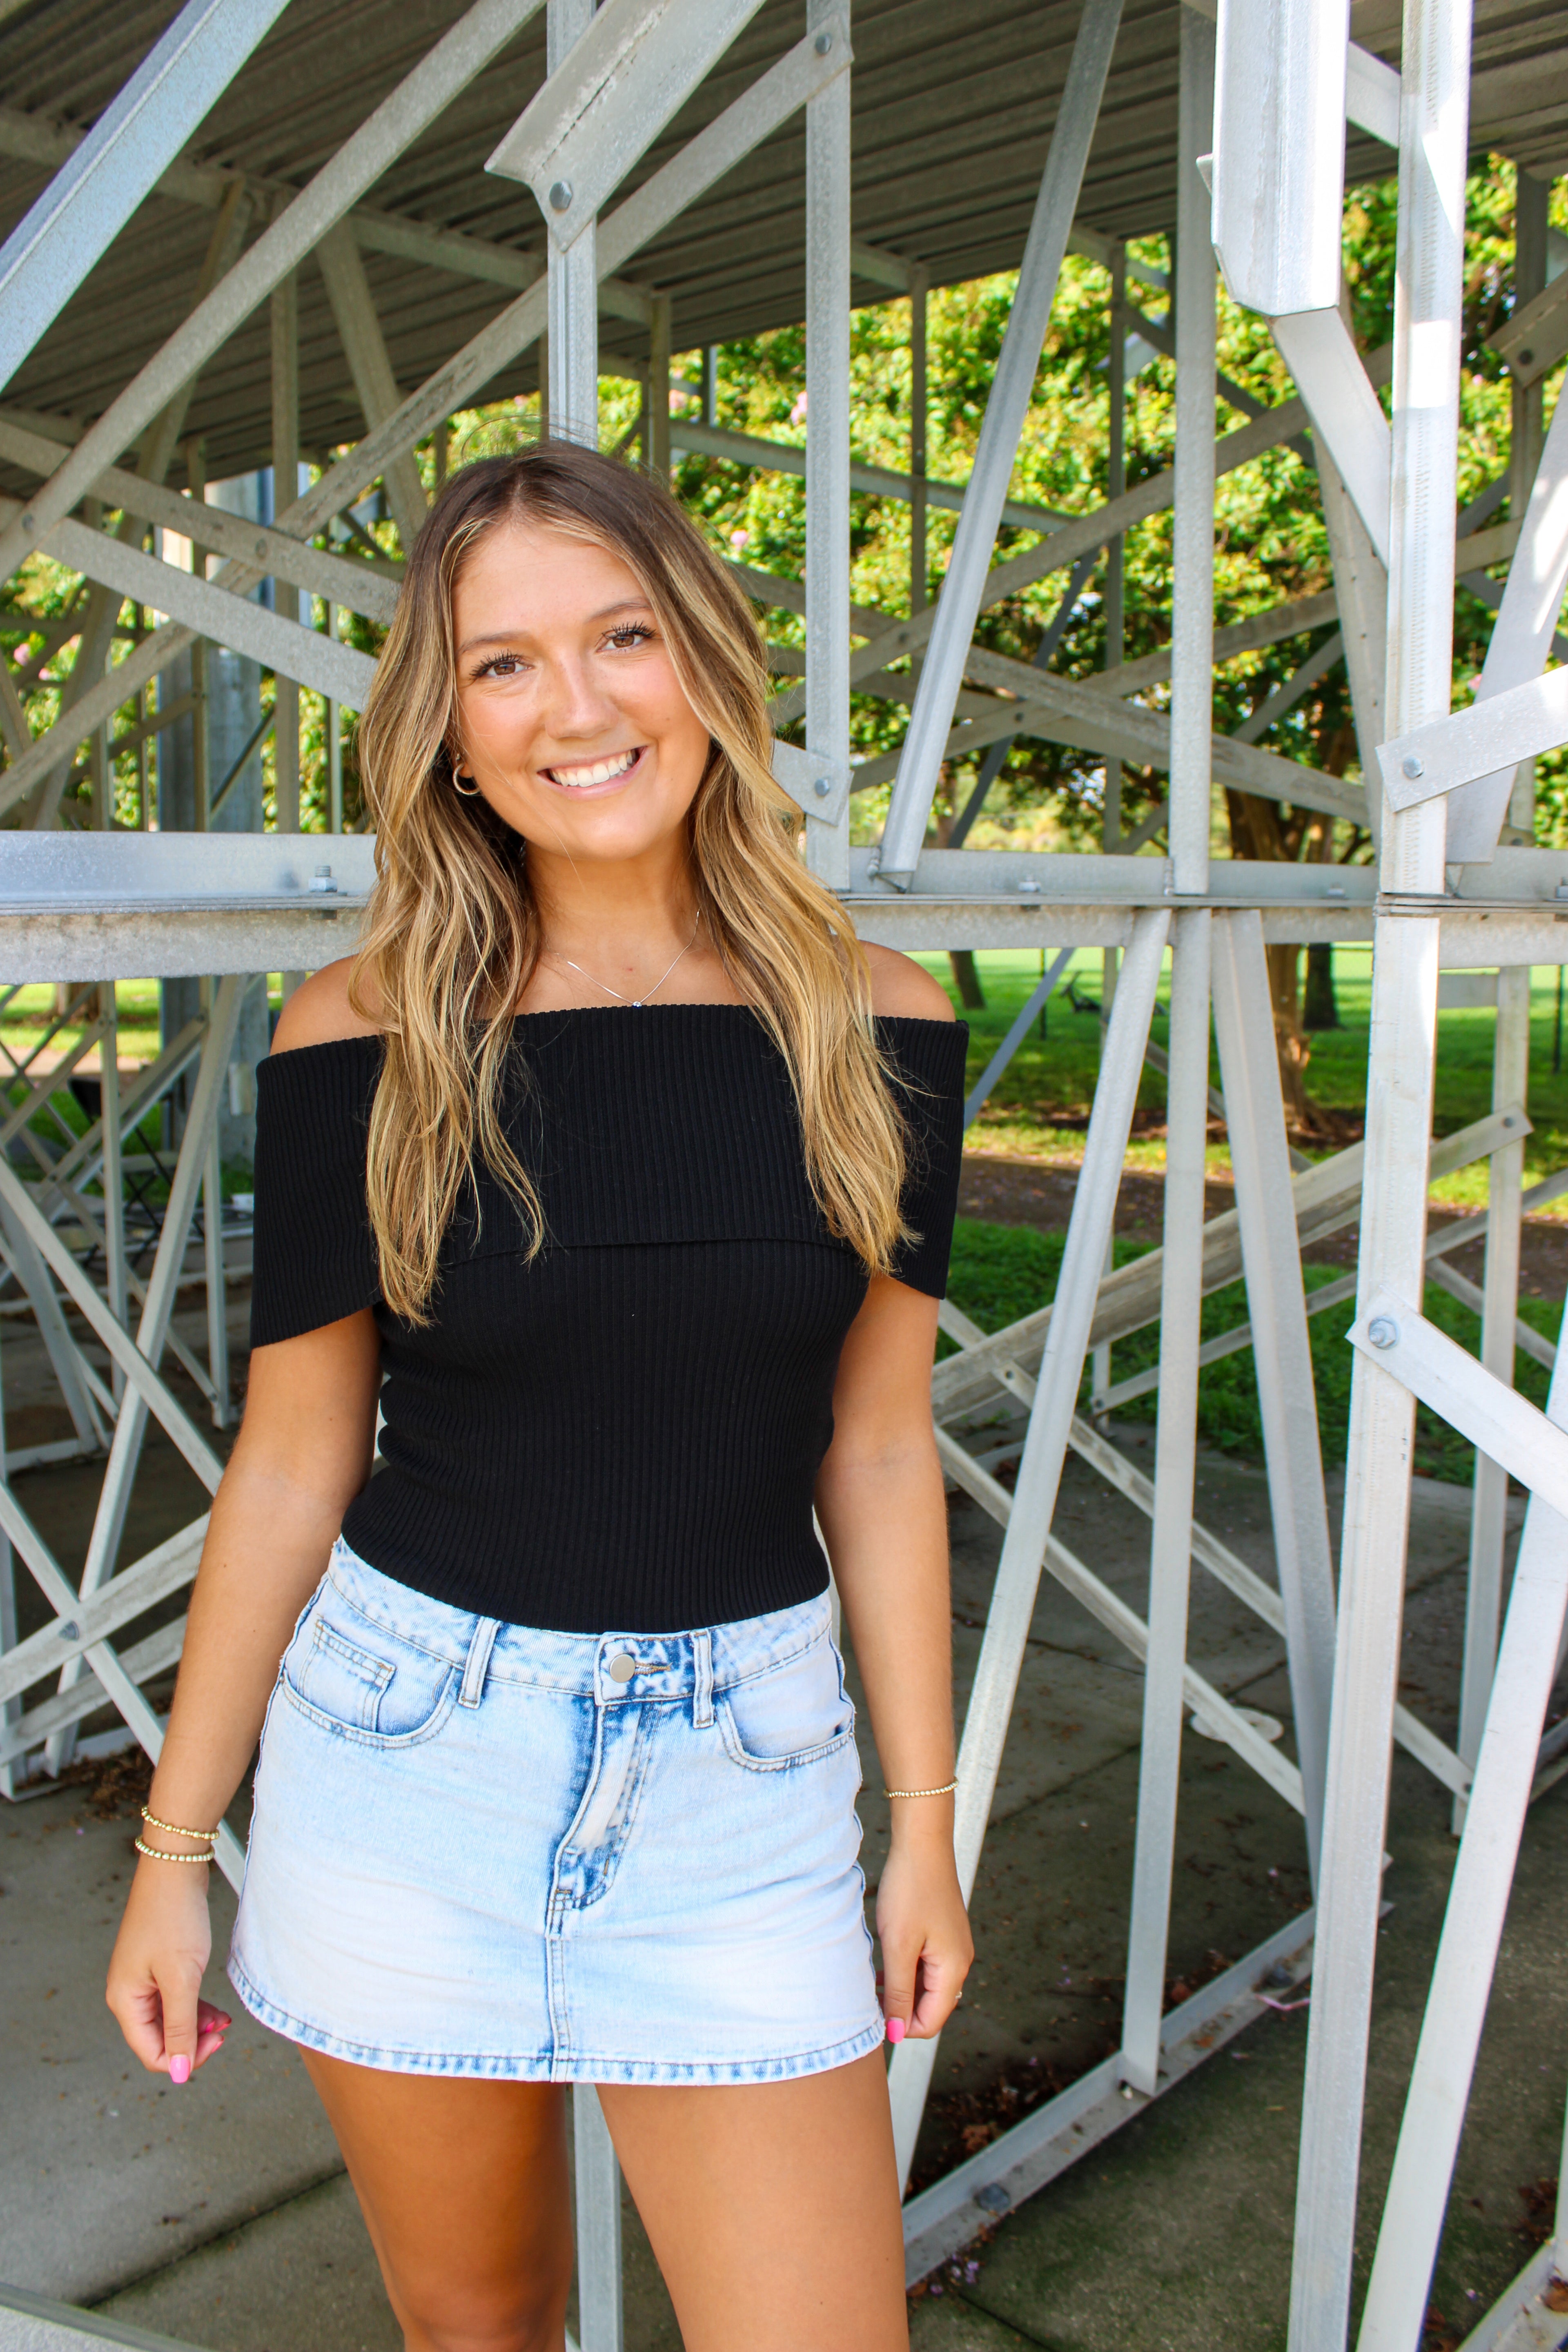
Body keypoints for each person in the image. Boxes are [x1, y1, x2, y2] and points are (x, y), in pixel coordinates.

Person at [107, 443, 973, 2352]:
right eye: (502, 665)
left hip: (746, 1789)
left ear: (708, 668)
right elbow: (294, 1456)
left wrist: (923, 1820)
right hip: (411, 1763)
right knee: (481, 2330)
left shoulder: (881, 1020)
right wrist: (176, 1860)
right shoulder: (365, 1028)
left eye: (623, 636)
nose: (574, 707)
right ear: (449, 732)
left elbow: (881, 1444)